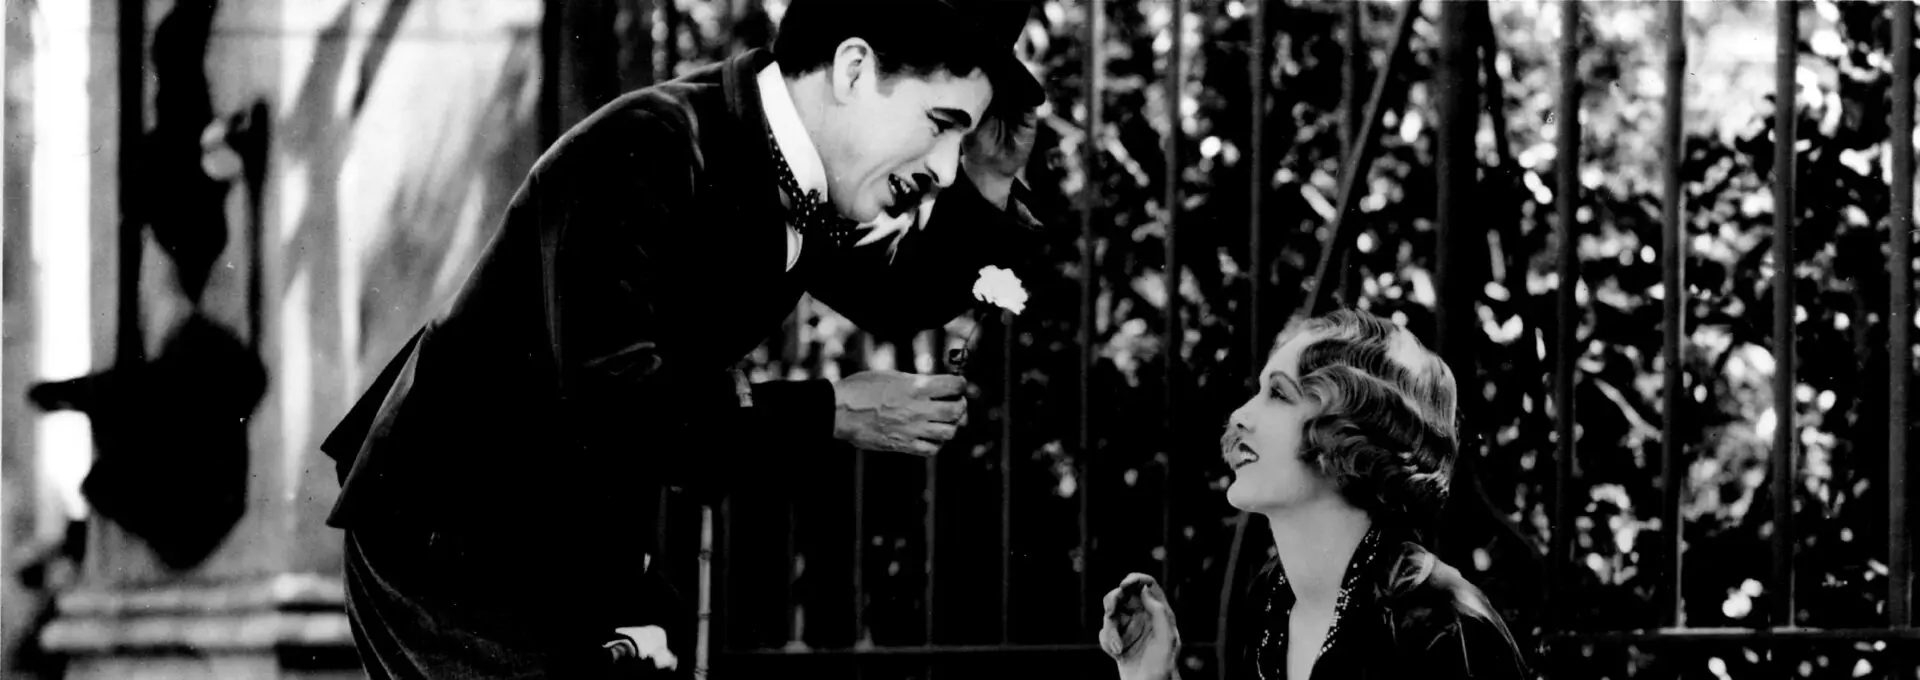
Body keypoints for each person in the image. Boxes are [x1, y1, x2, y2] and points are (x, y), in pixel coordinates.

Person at [318, 0, 1050, 677]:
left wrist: (989, 182)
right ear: (853, 69)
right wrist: (832, 411)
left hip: (564, 535)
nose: (944, 168)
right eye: (940, 124)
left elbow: (898, 297)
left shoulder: (794, 161)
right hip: (452, 534)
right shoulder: (649, 143)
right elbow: (617, 401)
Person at [1100, 309, 1532, 680]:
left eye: (1278, 394)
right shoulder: (1271, 599)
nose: (1241, 415)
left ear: (1350, 433)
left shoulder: (1444, 627)